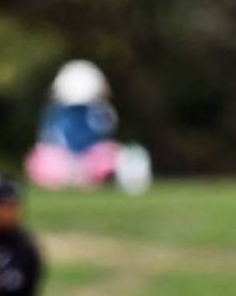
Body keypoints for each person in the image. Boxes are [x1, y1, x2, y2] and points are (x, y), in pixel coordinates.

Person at [24, 59, 152, 195]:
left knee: (116, 153)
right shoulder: (59, 111)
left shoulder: (96, 111)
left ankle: (76, 177)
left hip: (83, 162)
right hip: (68, 162)